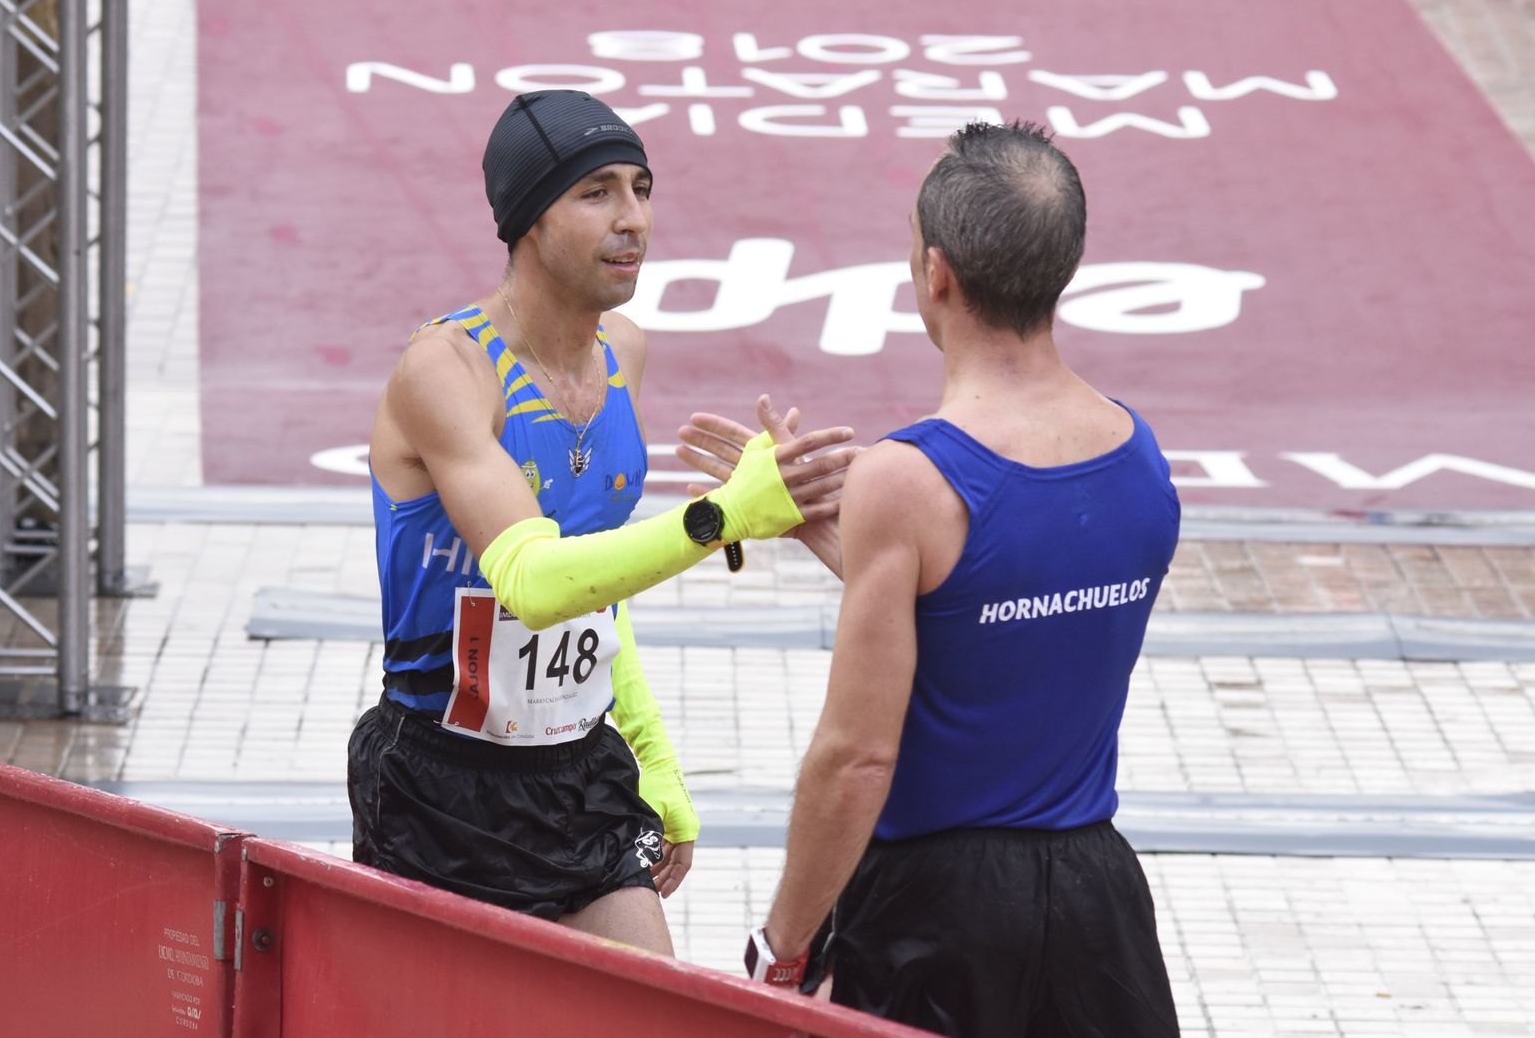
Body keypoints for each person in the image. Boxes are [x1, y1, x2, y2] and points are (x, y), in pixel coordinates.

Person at [683, 121, 1182, 1035]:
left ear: (936, 273)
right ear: (1065, 265)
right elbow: (1001, 623)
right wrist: (851, 541)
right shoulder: (1137, 456)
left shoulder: (909, 480)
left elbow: (856, 755)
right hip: (1096, 904)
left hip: (935, 910)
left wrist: (781, 952)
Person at [350, 89, 854, 954]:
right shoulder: (446, 370)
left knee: (651, 1006)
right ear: (526, 222)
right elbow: (535, 585)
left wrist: (653, 754)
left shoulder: (625, 352)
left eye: (642, 188)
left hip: (576, 768)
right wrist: (720, 516)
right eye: (596, 193)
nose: (634, 220)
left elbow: (594, 591)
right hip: (441, 780)